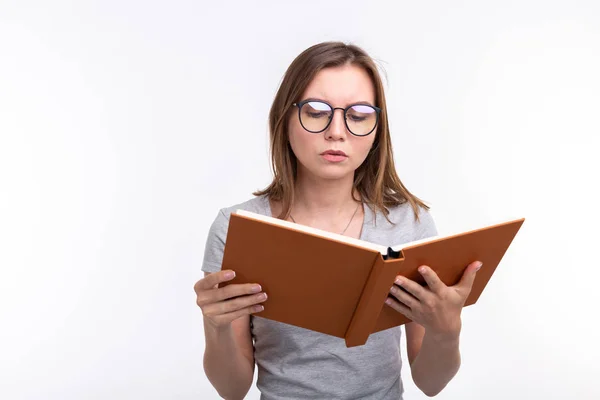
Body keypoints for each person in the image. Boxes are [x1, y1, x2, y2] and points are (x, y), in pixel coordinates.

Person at [193, 41, 482, 400]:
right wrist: (216, 326)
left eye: (358, 115)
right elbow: (231, 389)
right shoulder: (238, 228)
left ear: (377, 130)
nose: (337, 131)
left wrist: (446, 330)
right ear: (285, 119)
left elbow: (431, 383)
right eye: (316, 111)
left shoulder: (409, 224)